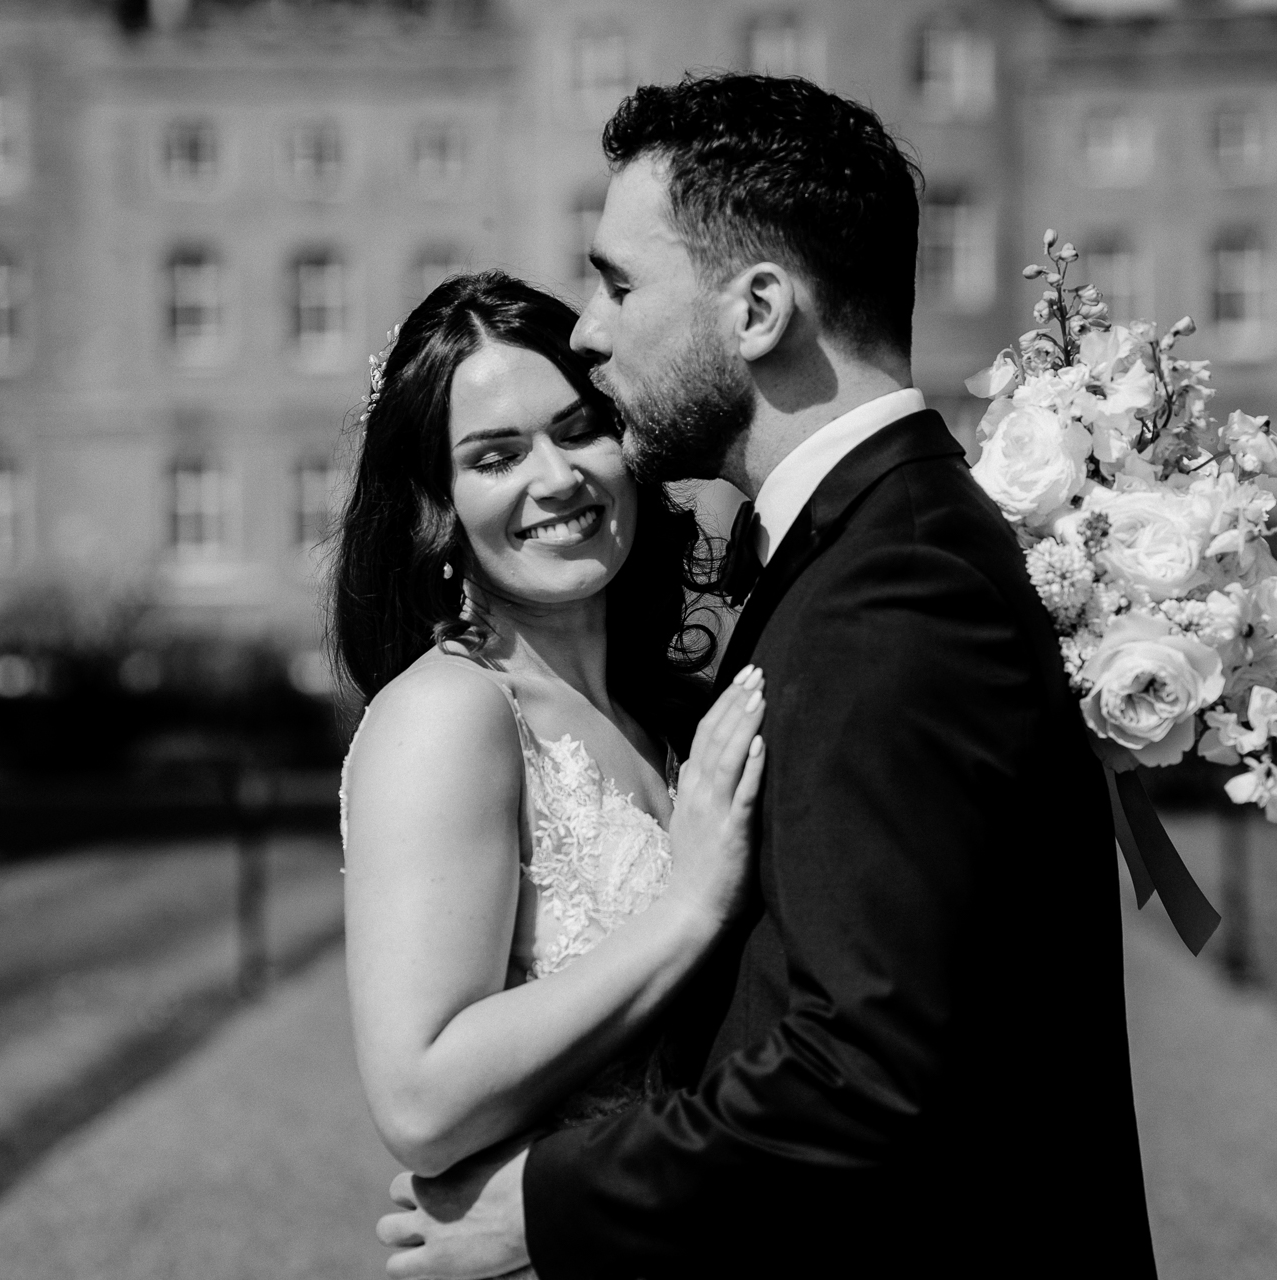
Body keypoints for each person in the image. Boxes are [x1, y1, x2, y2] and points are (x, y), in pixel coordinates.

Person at [377, 74, 1161, 1278]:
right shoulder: (861, 555)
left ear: (756, 307)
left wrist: (543, 1206)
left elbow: (859, 1070)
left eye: (621, 282)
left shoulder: (889, 591)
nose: (588, 328)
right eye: (493, 453)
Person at [334, 272, 769, 1241]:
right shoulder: (449, 714)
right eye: (497, 455)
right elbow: (421, 1101)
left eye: (579, 429)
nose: (558, 477)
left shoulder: (664, 710)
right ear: (435, 503)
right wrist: (689, 905)